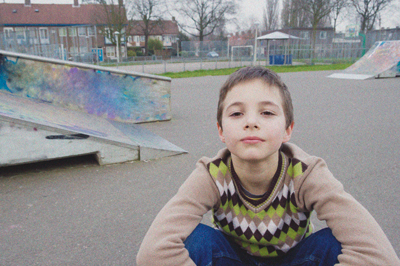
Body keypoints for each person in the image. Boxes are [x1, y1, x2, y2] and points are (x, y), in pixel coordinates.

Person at [136, 66, 400, 265]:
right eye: (237, 113)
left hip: (295, 259)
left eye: (267, 112)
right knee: (197, 239)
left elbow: (379, 256)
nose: (251, 121)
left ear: (287, 130)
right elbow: (152, 252)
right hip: (234, 259)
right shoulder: (211, 175)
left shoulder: (307, 174)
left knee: (334, 242)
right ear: (221, 131)